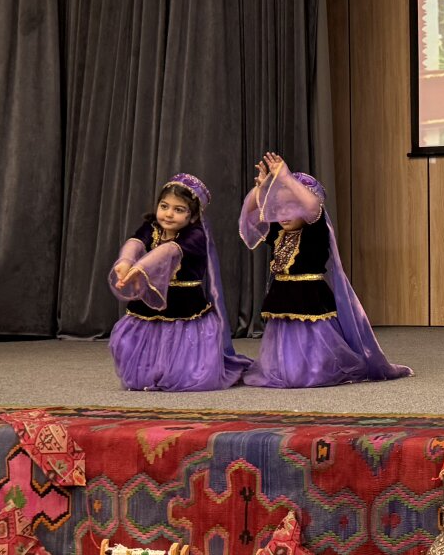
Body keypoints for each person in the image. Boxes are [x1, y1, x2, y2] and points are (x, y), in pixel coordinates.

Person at [239, 152, 410, 387]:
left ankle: (314, 369)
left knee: (313, 338)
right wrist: (263, 189)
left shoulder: (314, 229)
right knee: (285, 336)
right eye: (279, 207)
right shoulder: (279, 233)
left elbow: (312, 206)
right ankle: (289, 369)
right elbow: (250, 215)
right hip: (283, 295)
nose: (284, 214)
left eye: (292, 206)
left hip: (310, 296)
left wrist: (286, 178)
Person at [107, 174, 248, 391]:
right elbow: (135, 242)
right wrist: (126, 261)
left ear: (193, 216)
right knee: (146, 336)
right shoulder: (152, 228)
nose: (169, 214)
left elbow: (169, 251)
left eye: (179, 209)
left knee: (179, 348)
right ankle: (151, 372)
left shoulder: (196, 235)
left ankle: (175, 372)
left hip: (184, 304)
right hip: (153, 301)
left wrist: (140, 268)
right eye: (164, 206)